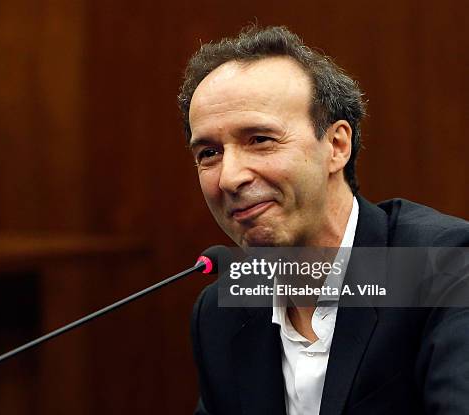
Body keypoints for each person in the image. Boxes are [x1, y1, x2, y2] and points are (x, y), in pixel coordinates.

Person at [178, 25, 469, 415]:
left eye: (260, 139)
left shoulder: (440, 267)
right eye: (209, 153)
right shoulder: (222, 310)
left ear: (336, 146)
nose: (230, 177)